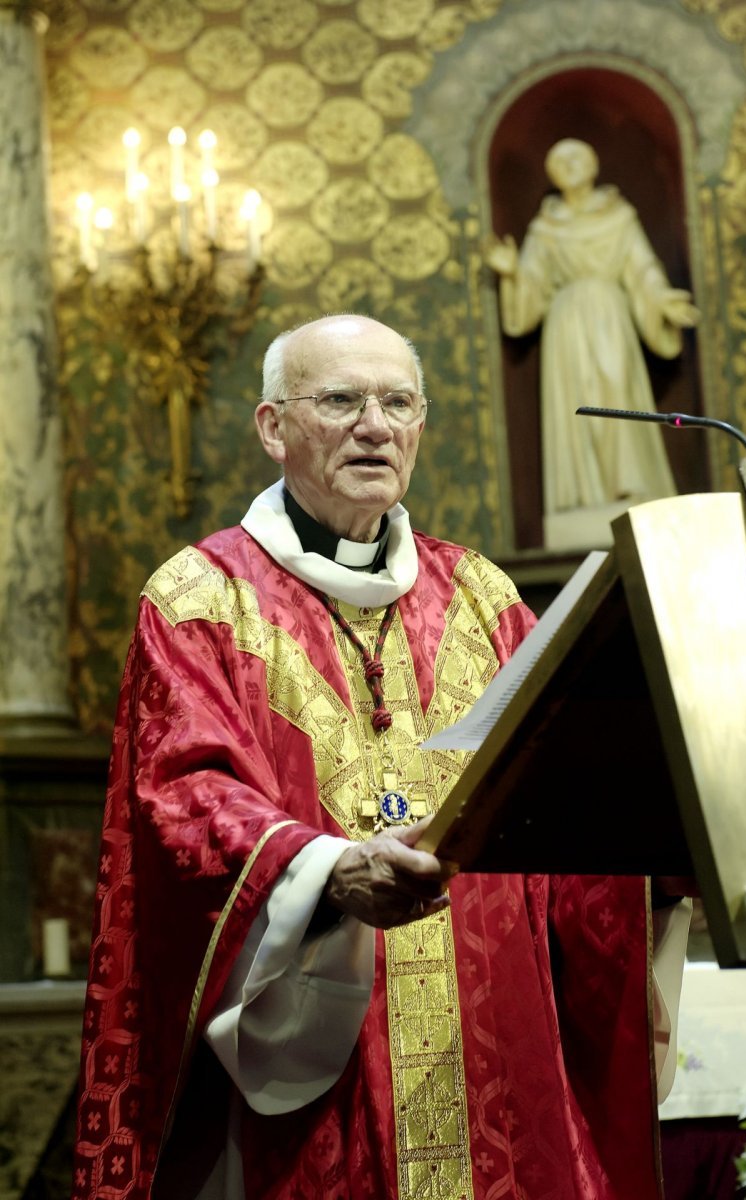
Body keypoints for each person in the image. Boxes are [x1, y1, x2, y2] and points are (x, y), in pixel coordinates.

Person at [72, 314, 691, 1200]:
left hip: (496, 1052)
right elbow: (181, 798)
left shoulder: (481, 596)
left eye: (398, 402)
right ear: (271, 427)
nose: (375, 425)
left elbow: (558, 792)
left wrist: (663, 843)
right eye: (341, 399)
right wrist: (325, 867)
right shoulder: (200, 602)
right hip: (316, 1045)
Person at [485, 138, 699, 548]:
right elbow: (532, 285)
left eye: (576, 156)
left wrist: (661, 299)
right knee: (577, 404)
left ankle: (630, 486)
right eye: (558, 159)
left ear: (594, 162)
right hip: (565, 325)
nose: (568, 164)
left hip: (611, 316)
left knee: (616, 393)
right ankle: (585, 496)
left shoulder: (619, 216)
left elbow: (642, 268)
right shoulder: (546, 226)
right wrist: (512, 275)